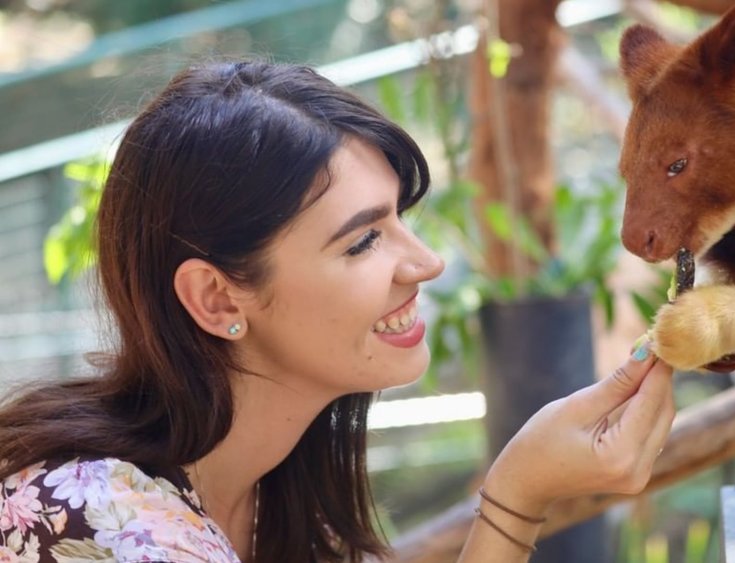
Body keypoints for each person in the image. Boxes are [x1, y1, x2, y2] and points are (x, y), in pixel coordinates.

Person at [0, 61, 675, 563]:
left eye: (400, 218)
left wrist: (520, 490)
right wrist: (518, 492)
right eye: (362, 240)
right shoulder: (99, 522)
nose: (427, 262)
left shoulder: (280, 501)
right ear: (216, 298)